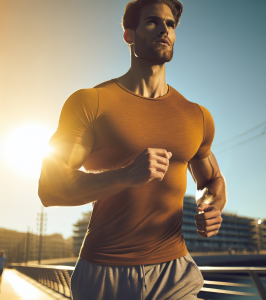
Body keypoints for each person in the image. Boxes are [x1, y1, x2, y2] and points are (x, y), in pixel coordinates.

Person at [38, 0, 227, 299]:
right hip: (105, 273)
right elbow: (50, 188)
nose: (164, 29)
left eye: (170, 24)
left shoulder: (197, 116)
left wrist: (212, 205)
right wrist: (125, 175)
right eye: (153, 21)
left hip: (174, 272)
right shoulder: (90, 102)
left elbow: (212, 180)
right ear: (129, 34)